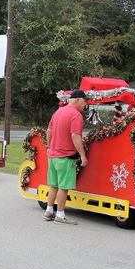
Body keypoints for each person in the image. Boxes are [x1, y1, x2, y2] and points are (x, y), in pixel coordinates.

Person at [44, 90, 88, 225]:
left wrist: (49, 147)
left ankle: (49, 211)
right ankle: (60, 214)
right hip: (66, 156)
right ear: (77, 100)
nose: (85, 105)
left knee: (53, 185)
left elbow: (49, 131)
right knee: (63, 187)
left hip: (53, 155)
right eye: (84, 101)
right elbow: (75, 136)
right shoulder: (76, 115)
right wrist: (82, 155)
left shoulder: (58, 112)